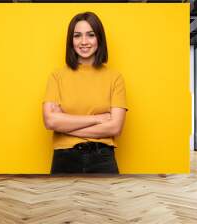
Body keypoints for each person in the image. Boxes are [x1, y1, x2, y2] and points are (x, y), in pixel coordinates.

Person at [42, 12, 128, 174]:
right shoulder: (57, 76)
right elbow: (50, 121)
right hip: (64, 158)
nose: (84, 42)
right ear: (71, 41)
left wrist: (65, 125)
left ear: (99, 39)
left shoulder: (115, 78)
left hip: (103, 159)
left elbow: (115, 127)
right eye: (77, 36)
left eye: (90, 35)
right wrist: (97, 119)